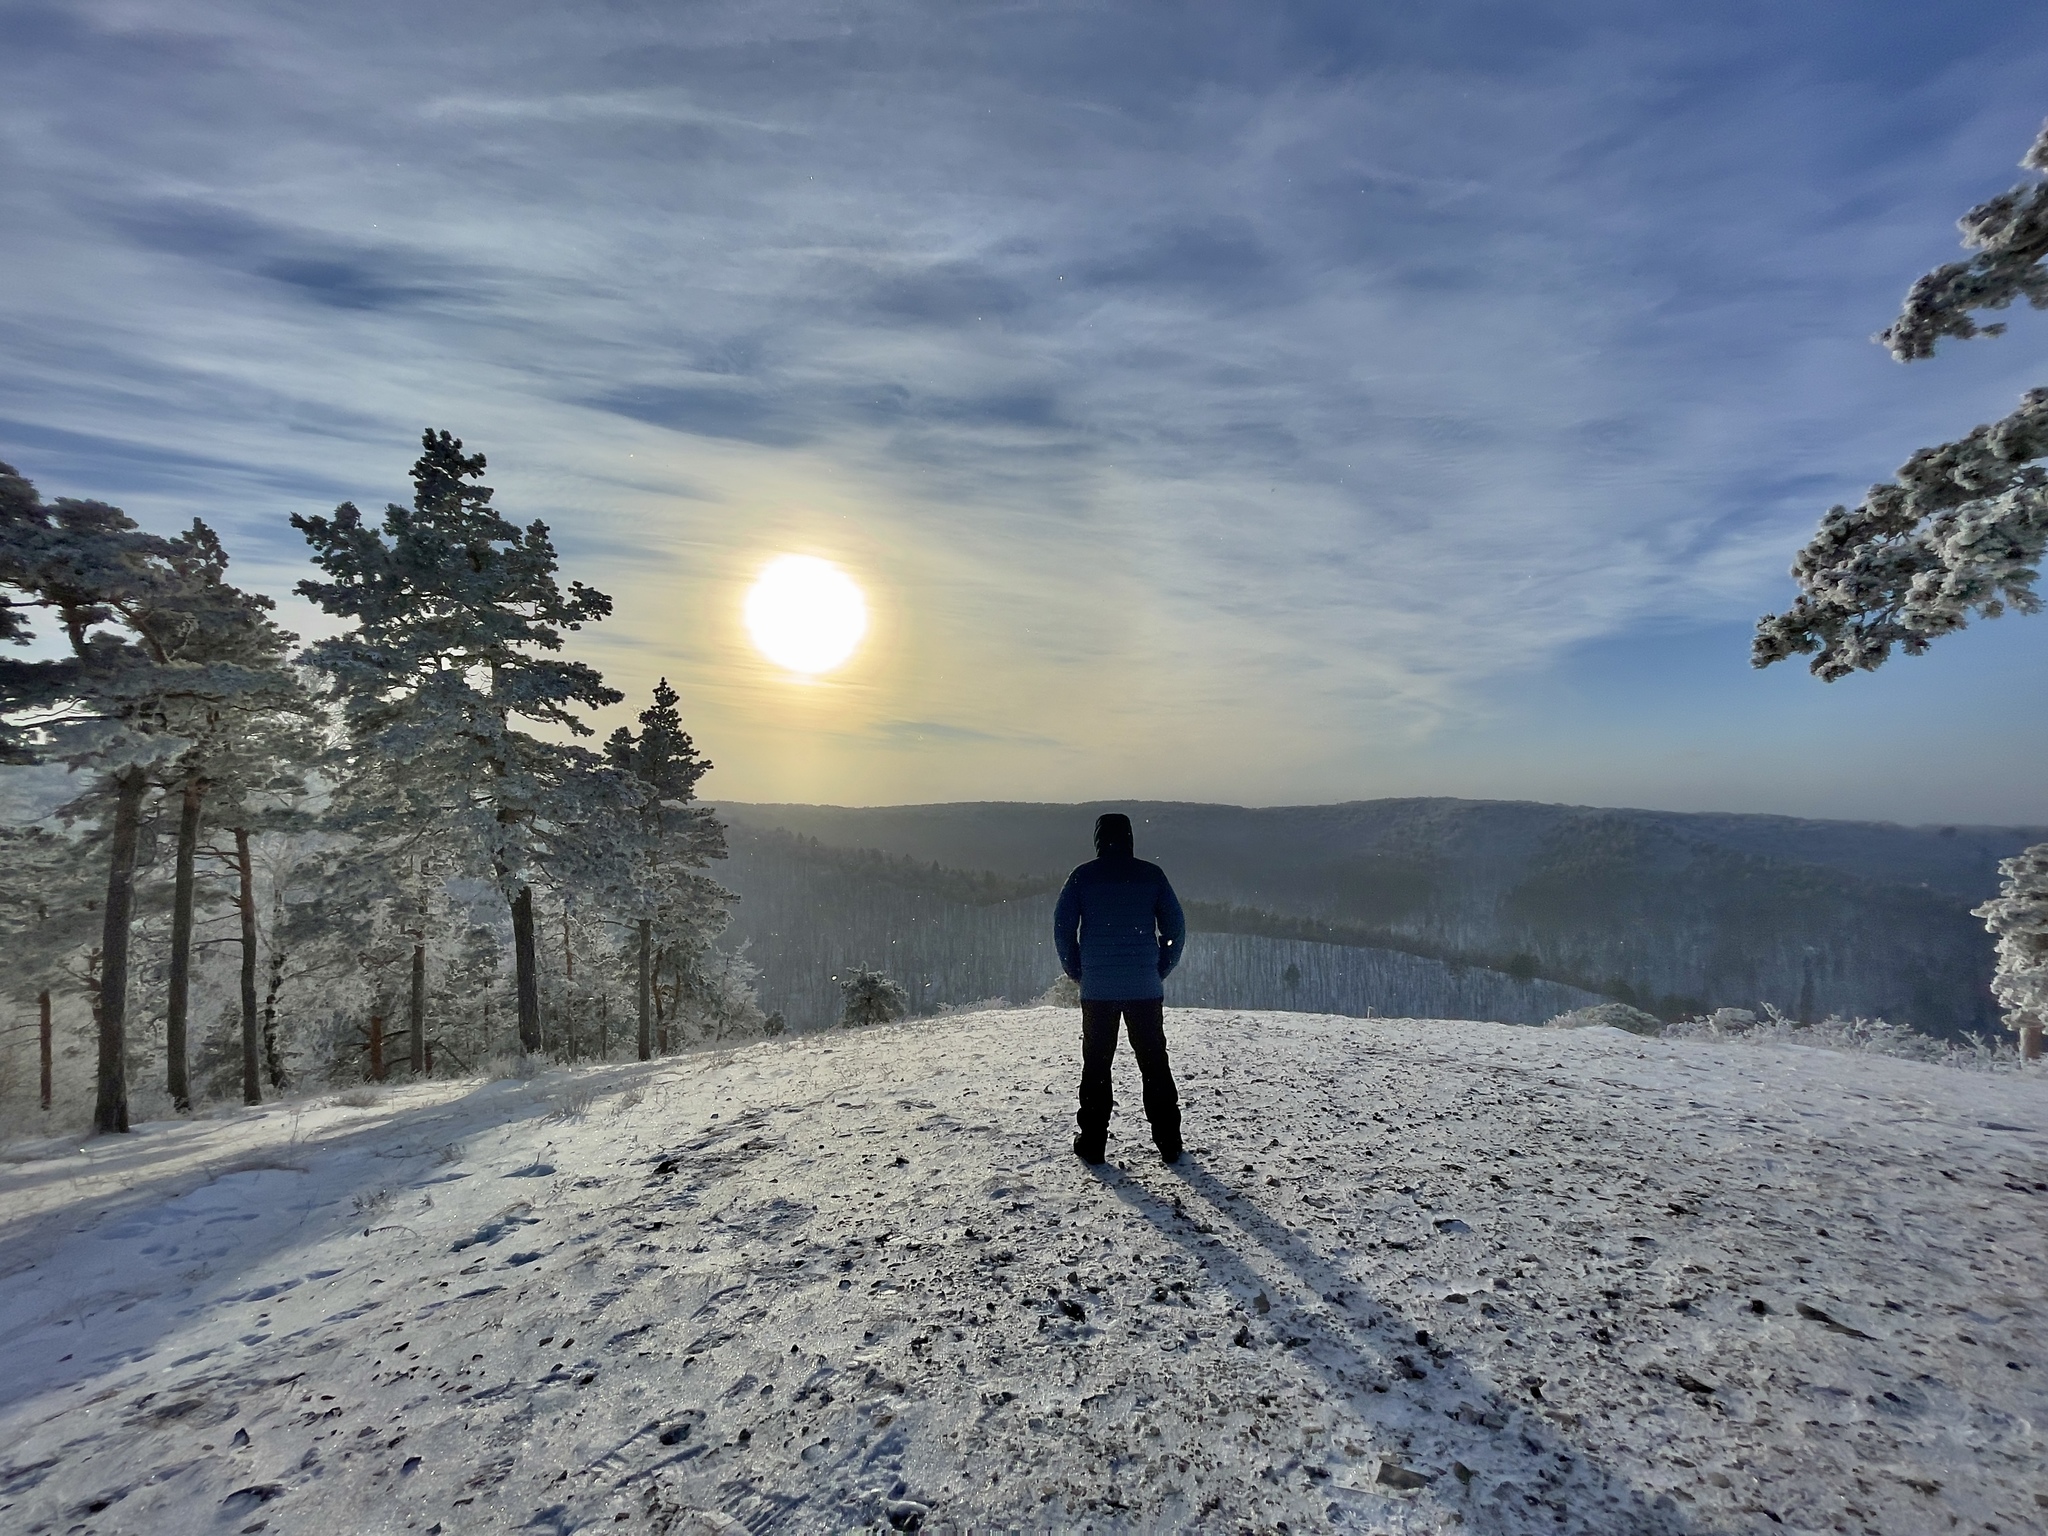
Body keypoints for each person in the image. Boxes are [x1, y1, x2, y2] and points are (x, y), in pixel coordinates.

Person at [1052, 812, 1188, 1165]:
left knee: (1097, 1065)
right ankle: (1169, 1142)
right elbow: (1176, 927)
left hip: (1098, 989)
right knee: (1154, 1062)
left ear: (1098, 840)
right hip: (1144, 987)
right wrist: (1160, 967)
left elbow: (1063, 929)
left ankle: (1093, 1141)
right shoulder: (1151, 875)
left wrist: (1076, 968)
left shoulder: (1082, 877)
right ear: (1129, 838)